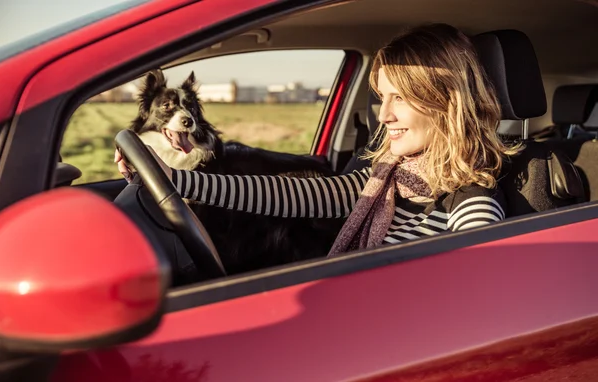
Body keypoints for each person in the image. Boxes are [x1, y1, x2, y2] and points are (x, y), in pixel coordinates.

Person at [116, 23, 519, 257]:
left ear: (445, 102)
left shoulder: (472, 206)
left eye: (400, 98)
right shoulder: (385, 181)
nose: (384, 115)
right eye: (382, 97)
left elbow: (469, 292)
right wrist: (172, 179)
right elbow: (280, 195)